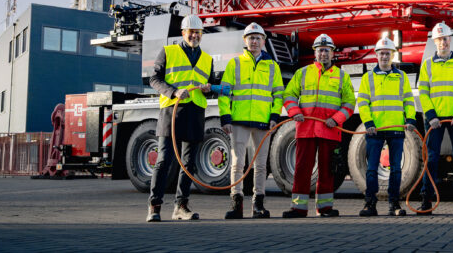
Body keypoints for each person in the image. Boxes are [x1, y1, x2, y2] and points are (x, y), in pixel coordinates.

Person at [146, 14, 216, 222]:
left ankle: (181, 207)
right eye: (191, 32)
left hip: (195, 113)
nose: (194, 35)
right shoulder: (168, 52)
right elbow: (154, 79)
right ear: (183, 33)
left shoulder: (207, 59)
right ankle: (154, 206)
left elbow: (210, 87)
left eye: (198, 32)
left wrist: (208, 89)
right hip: (172, 112)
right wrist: (174, 92)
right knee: (163, 161)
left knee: (189, 164)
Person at [281, 33, 355, 218]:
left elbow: (349, 104)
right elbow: (288, 95)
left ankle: (325, 208)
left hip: (329, 130)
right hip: (306, 129)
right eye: (320, 50)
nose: (323, 54)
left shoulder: (341, 76)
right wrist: (295, 112)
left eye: (327, 50)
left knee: (327, 171)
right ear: (315, 52)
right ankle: (298, 208)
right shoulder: (302, 73)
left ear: (332, 53)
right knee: (302, 169)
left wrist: (336, 119)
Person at [219, 23, 284, 219]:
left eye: (257, 38)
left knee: (261, 165)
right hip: (238, 121)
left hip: (263, 122)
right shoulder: (235, 63)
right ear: (245, 41)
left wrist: (274, 117)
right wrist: (225, 117)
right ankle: (236, 203)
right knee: (238, 163)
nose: (254, 41)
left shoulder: (272, 66)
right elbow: (224, 93)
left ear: (263, 41)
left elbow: (278, 95)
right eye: (251, 38)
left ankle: (258, 205)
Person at [416, 22, 453, 215]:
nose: (443, 42)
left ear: (450, 39)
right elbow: (423, 93)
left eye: (445, 38)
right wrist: (431, 116)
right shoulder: (427, 65)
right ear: (435, 41)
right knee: (431, 159)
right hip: (434, 120)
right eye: (439, 39)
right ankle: (426, 202)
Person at [356, 36, 417, 217]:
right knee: (372, 169)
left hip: (397, 129)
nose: (384, 56)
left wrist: (411, 119)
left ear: (392, 55)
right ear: (376, 55)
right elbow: (363, 102)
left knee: (396, 169)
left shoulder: (401, 77)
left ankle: (394, 204)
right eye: (382, 53)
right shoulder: (368, 77)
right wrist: (368, 123)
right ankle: (370, 204)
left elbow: (408, 100)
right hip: (375, 130)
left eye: (387, 53)